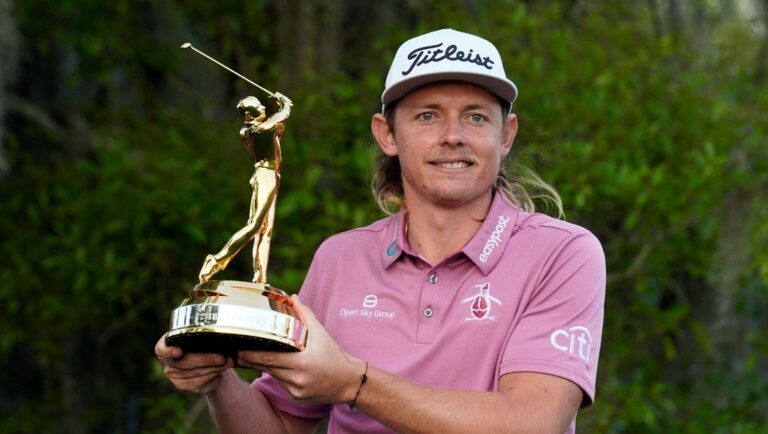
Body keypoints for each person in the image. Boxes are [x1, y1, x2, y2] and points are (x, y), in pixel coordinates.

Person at [156, 28, 605, 433]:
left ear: (505, 135)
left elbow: (531, 424)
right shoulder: (340, 258)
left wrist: (353, 382)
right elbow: (276, 427)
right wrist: (217, 379)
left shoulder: (563, 254)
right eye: (427, 116)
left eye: (475, 117)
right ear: (387, 134)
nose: (453, 135)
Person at [198, 92, 293, 284]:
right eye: (259, 107)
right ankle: (216, 261)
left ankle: (260, 278)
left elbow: (279, 126)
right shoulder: (255, 130)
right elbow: (279, 118)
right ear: (250, 116)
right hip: (265, 175)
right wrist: (285, 105)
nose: (264, 108)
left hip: (272, 176)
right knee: (255, 225)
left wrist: (284, 108)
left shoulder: (262, 128)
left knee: (266, 231)